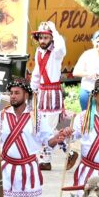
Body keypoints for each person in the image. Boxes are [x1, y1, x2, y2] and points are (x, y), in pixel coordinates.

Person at [0, 78, 55, 197]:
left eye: (17, 93)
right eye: (11, 93)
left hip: (28, 167)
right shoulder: (2, 115)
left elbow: (48, 139)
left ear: (26, 95)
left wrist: (57, 139)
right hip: (6, 167)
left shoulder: (36, 117)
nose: (13, 96)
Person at [30, 20, 67, 149]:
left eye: (46, 37)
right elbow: (36, 72)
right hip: (41, 92)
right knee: (40, 126)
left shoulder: (57, 53)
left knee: (50, 127)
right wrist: (32, 89)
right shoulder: (38, 52)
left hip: (53, 93)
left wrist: (55, 31)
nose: (43, 41)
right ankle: (64, 148)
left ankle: (47, 159)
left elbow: (61, 47)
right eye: (41, 37)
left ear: (52, 38)